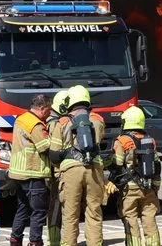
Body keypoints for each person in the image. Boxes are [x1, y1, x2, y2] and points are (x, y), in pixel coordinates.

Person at [48, 85, 105, 246]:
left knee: (70, 215)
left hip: (71, 171)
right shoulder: (97, 120)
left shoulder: (63, 122)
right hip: (94, 168)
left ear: (70, 101)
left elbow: (53, 154)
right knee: (94, 213)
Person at [108, 106, 161, 246]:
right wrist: (156, 187)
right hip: (148, 187)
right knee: (149, 220)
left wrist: (111, 180)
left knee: (130, 219)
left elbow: (117, 164)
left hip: (129, 188)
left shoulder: (122, 141)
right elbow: (157, 165)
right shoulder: (150, 141)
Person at [8, 94, 51, 246]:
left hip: (18, 173)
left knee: (22, 209)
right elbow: (45, 147)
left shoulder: (22, 119)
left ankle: (15, 239)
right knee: (38, 211)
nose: (50, 113)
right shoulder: (36, 125)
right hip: (33, 172)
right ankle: (35, 241)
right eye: (48, 110)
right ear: (42, 108)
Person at [44, 90, 69, 246]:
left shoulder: (51, 121)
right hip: (56, 171)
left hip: (57, 170)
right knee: (56, 205)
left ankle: (55, 240)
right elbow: (54, 151)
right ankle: (54, 241)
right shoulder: (54, 123)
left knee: (57, 205)